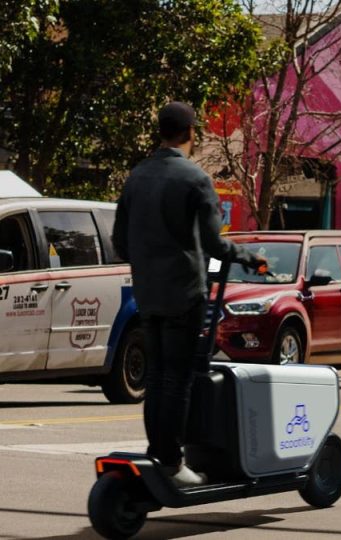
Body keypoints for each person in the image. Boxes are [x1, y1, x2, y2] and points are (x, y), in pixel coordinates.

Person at [113, 101, 265, 487]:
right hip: (184, 294)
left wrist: (150, 260)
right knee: (177, 379)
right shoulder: (195, 179)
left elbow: (120, 244)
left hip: (147, 295)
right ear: (190, 134)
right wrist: (252, 259)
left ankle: (156, 450)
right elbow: (216, 245)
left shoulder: (136, 176)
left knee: (156, 375)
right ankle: (171, 459)